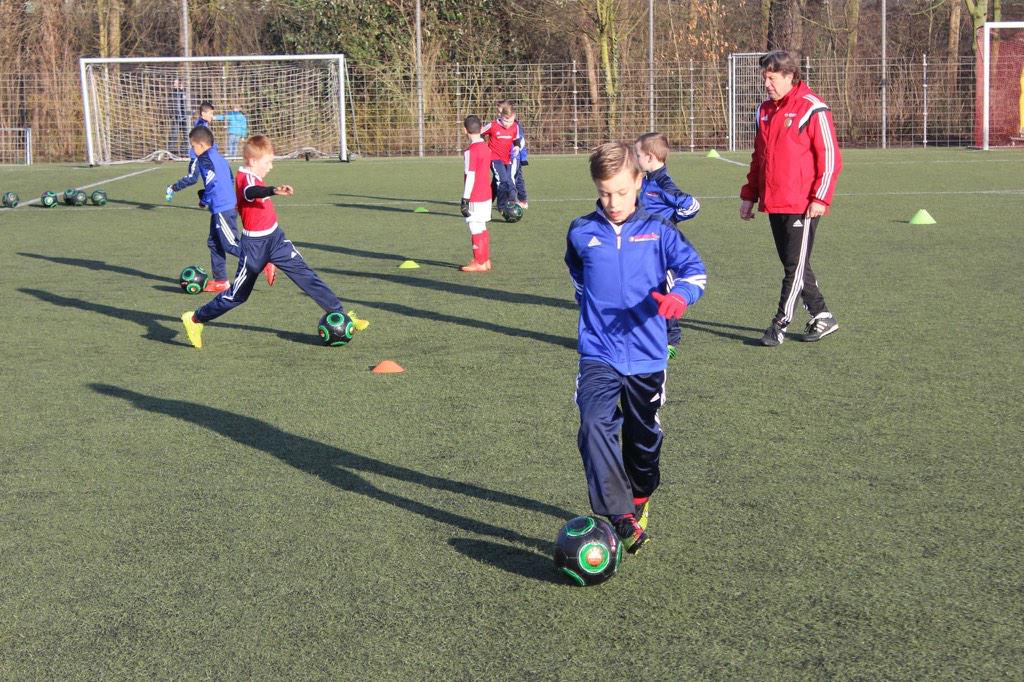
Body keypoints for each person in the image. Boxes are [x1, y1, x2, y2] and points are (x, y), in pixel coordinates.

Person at [565, 142, 707, 554]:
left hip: (647, 354)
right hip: (599, 352)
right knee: (594, 424)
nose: (613, 202)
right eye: (605, 192)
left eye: (622, 192)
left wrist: (679, 297)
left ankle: (640, 496)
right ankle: (620, 514)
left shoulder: (660, 232)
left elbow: (695, 272)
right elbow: (577, 275)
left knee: (642, 442)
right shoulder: (581, 231)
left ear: (639, 183)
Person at [180, 134, 369, 349]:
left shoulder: (254, 175)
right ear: (252, 161)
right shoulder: (246, 180)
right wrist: (273, 190)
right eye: (267, 162)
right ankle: (195, 319)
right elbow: (251, 192)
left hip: (276, 239)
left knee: (306, 275)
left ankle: (341, 314)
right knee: (237, 296)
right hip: (254, 247)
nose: (270, 167)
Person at [740, 50, 842, 346]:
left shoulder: (813, 108)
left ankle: (779, 324)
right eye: (764, 78)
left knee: (793, 267)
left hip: (803, 204)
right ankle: (822, 315)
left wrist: (820, 198)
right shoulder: (764, 111)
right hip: (774, 201)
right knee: (794, 265)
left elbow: (831, 158)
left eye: (771, 78)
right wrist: (749, 194)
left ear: (789, 76)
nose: (766, 84)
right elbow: (759, 158)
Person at [635, 132, 701, 359]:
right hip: (645, 245)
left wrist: (670, 222)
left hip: (662, 247)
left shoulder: (663, 183)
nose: (636, 159)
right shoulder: (647, 180)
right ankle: (648, 330)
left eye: (638, 155)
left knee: (666, 289)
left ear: (650, 157)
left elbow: (691, 205)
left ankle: (670, 338)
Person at [165, 125, 240, 293]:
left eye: (193, 146)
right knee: (214, 242)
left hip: (222, 207)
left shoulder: (204, 160)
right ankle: (221, 281)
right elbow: (229, 177)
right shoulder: (218, 157)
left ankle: (263, 260)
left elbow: (212, 182)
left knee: (229, 244)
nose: (192, 150)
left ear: (201, 145)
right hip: (222, 205)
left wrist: (204, 199)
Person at [459, 115, 494, 273]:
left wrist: (465, 199)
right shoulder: (487, 148)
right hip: (486, 193)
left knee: (474, 225)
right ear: (481, 129)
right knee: (481, 225)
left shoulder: (470, 151)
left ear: (465, 130)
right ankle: (484, 260)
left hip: (475, 195)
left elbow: (471, 175)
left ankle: (479, 262)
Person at [480, 100, 523, 212]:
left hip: (507, 159)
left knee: (500, 181)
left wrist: (517, 147)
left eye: (511, 121)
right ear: (501, 116)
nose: (508, 124)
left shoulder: (515, 126)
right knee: (502, 180)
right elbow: (480, 132)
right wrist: (483, 146)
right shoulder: (493, 125)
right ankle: (502, 206)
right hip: (494, 158)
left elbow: (516, 139)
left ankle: (487, 201)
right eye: (506, 121)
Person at [191, 101, 216, 208]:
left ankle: (204, 198)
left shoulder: (204, 124)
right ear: (203, 114)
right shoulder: (201, 125)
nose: (212, 116)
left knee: (213, 180)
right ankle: (205, 199)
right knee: (212, 180)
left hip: (208, 156)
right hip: (203, 158)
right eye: (210, 113)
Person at [167, 78, 190, 156]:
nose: (174, 84)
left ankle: (184, 151)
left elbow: (191, 106)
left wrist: (189, 115)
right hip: (176, 117)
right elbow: (169, 105)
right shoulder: (172, 94)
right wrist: (171, 115)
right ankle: (171, 153)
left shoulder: (187, 94)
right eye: (174, 83)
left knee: (187, 135)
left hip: (185, 117)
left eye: (176, 83)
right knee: (173, 135)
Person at [511, 122, 528, 209]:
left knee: (517, 178)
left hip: (515, 157)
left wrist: (523, 158)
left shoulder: (516, 126)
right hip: (504, 158)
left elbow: (521, 142)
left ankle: (522, 200)